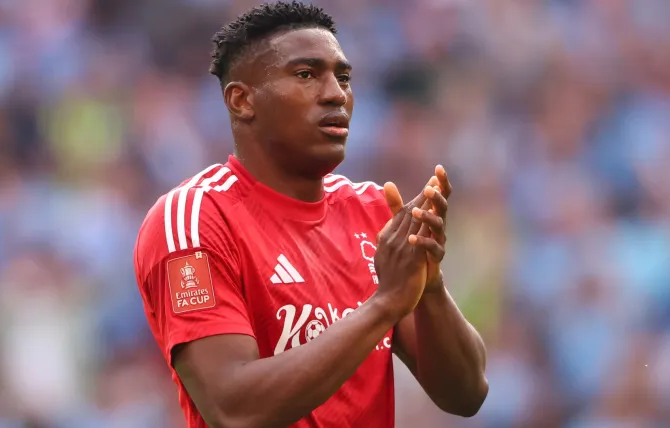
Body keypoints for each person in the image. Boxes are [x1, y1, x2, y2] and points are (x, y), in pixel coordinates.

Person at [133, 2, 488, 427]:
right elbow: (234, 409)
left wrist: (429, 287)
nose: (336, 94)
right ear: (242, 100)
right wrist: (384, 305)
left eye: (343, 77)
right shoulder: (195, 219)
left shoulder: (374, 212)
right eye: (306, 74)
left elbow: (466, 394)